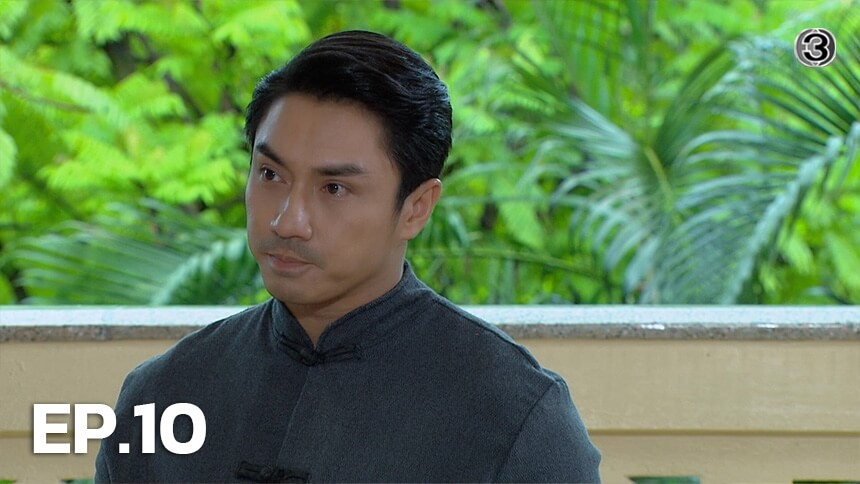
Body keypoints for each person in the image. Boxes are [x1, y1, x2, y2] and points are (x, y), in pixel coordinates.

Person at [95, 30, 600, 483]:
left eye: (334, 188)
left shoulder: (515, 419)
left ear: (416, 208)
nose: (288, 221)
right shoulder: (162, 396)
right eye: (270, 175)